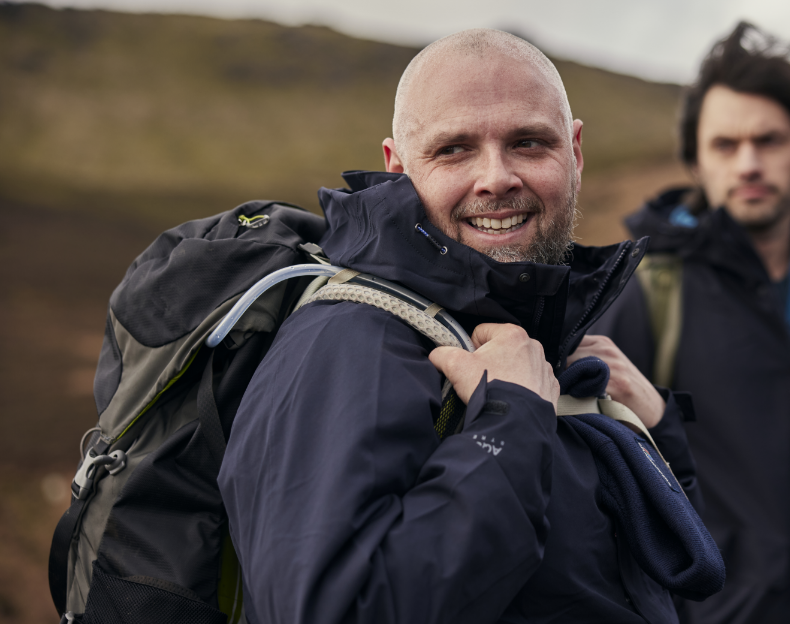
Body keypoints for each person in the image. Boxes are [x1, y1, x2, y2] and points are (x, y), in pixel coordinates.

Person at [218, 28, 719, 624]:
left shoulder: (530, 339)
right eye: (453, 149)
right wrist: (509, 423)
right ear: (398, 166)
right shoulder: (345, 343)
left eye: (529, 142)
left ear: (575, 152)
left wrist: (652, 435)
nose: (496, 178)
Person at [589, 22, 790, 624]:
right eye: (725, 145)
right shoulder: (651, 292)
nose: (748, 163)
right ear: (697, 159)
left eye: (769, 140)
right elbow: (605, 479)